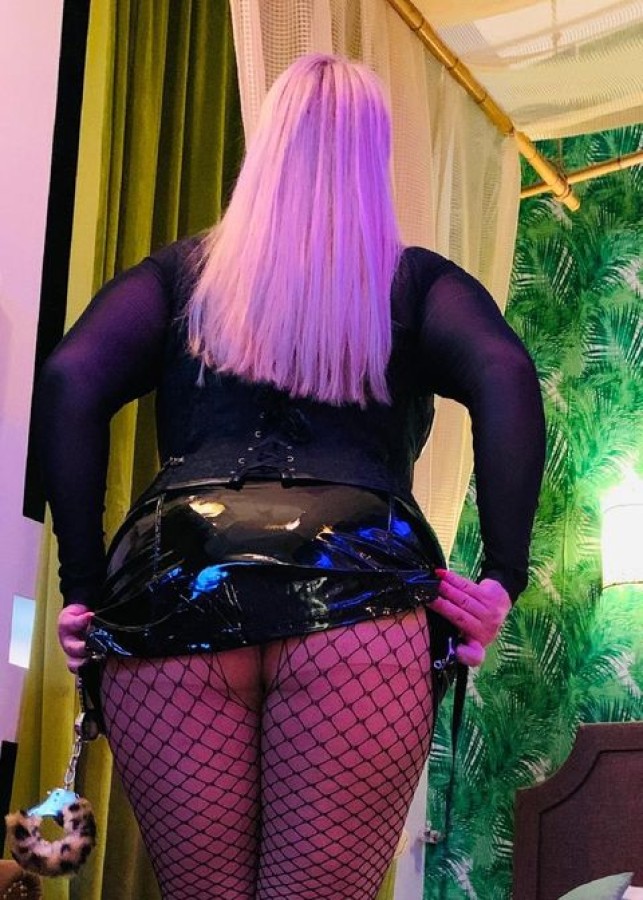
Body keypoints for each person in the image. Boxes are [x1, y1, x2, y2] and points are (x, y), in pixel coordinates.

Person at [35, 54, 545, 900]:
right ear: (373, 159)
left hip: (174, 587)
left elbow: (68, 379)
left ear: (264, 147)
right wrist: (501, 578)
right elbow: (505, 374)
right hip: (359, 597)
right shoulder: (417, 284)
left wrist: (84, 585)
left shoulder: (182, 278)